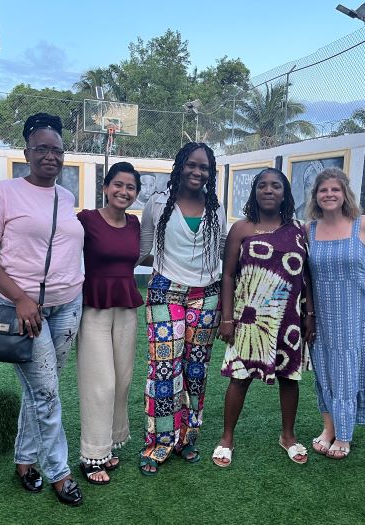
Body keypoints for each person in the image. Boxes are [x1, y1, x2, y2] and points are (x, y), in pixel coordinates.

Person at [0, 113, 85, 505]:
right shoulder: (6, 192)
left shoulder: (66, 196)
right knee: (48, 393)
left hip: (69, 306)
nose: (50, 156)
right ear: (27, 153)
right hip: (26, 312)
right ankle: (60, 471)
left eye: (57, 150)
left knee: (39, 391)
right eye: (42, 149)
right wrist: (19, 298)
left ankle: (24, 460)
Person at [212, 168, 315, 468]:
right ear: (254, 191)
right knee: (239, 378)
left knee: (289, 379)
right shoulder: (242, 229)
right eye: (262, 186)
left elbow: (307, 274)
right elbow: (228, 275)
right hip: (249, 318)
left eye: (276, 186)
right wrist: (227, 318)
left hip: (289, 319)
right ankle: (227, 438)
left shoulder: (299, 230)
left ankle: (288, 436)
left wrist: (309, 314)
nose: (269, 190)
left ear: (285, 193)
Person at [137, 142, 227, 475]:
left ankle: (186, 439)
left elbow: (220, 256)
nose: (197, 171)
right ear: (180, 166)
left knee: (196, 370)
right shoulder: (158, 204)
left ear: (210, 172)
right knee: (163, 367)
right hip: (164, 292)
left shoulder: (216, 209)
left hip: (207, 295)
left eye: (204, 167)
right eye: (191, 165)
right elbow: (144, 248)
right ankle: (158, 443)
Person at [306, 167, 365, 460]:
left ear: (345, 193)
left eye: (335, 189)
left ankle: (344, 435)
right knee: (324, 372)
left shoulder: (363, 224)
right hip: (322, 314)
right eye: (323, 190)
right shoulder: (308, 229)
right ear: (316, 196)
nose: (329, 195)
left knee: (346, 372)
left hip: (358, 314)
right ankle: (328, 429)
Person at [75, 162, 144, 485]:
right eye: (118, 185)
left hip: (126, 308)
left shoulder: (134, 224)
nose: (124, 192)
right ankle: (93, 455)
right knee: (99, 382)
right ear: (105, 187)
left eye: (130, 187)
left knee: (122, 379)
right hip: (94, 308)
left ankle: (112, 440)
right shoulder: (86, 219)